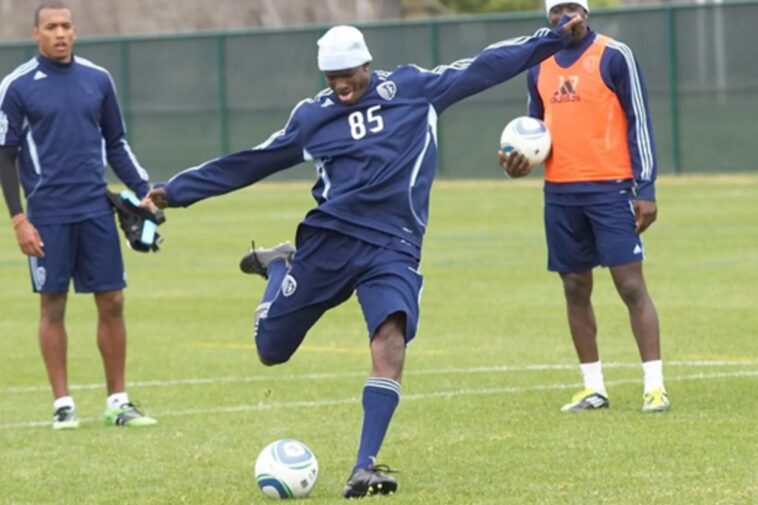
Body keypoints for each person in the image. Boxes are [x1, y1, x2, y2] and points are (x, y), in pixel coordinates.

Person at [145, 18, 581, 497]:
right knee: (271, 350)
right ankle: (278, 266)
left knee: (389, 339)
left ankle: (364, 466)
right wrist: (176, 192)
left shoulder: (413, 90)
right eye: (332, 78)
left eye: (348, 74)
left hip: (393, 245)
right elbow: (252, 160)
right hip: (330, 240)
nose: (342, 85)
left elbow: (484, 66)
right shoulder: (313, 117)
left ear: (367, 64)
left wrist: (555, 37)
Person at [499, 0, 669, 413]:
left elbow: (639, 120)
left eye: (572, 8)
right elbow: (533, 131)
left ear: (586, 12)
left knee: (630, 286)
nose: (564, 17)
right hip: (560, 193)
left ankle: (654, 386)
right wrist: (517, 163)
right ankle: (593, 387)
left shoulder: (614, 55)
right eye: (557, 10)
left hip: (610, 189)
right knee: (575, 288)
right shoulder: (538, 65)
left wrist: (644, 187)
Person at [0, 2, 157, 429]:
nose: (60, 33)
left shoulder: (97, 79)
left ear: (75, 29)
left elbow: (117, 144)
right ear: (36, 33)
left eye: (66, 25)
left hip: (95, 209)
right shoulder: (16, 86)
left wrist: (145, 193)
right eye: (51, 26)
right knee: (52, 305)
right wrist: (19, 219)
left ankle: (118, 402)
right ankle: (63, 405)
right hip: (46, 215)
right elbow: (5, 157)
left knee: (113, 301)